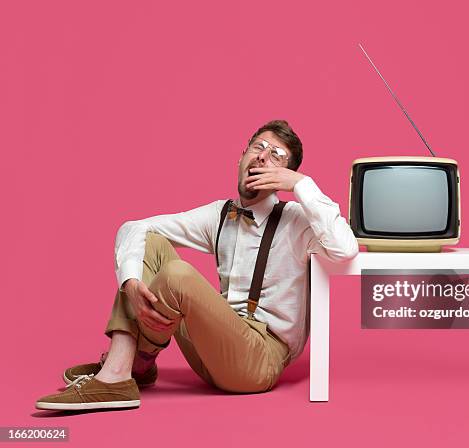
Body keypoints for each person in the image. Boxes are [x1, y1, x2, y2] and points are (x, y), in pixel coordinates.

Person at [35, 120, 359, 411]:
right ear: (241, 158)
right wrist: (130, 283)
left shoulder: (298, 220)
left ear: (284, 176)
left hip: (259, 362)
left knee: (178, 274)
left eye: (277, 155)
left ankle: (116, 377)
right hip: (211, 352)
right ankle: (133, 366)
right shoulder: (220, 215)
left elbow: (345, 250)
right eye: (258, 147)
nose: (263, 156)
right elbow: (134, 228)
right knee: (149, 240)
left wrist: (302, 184)